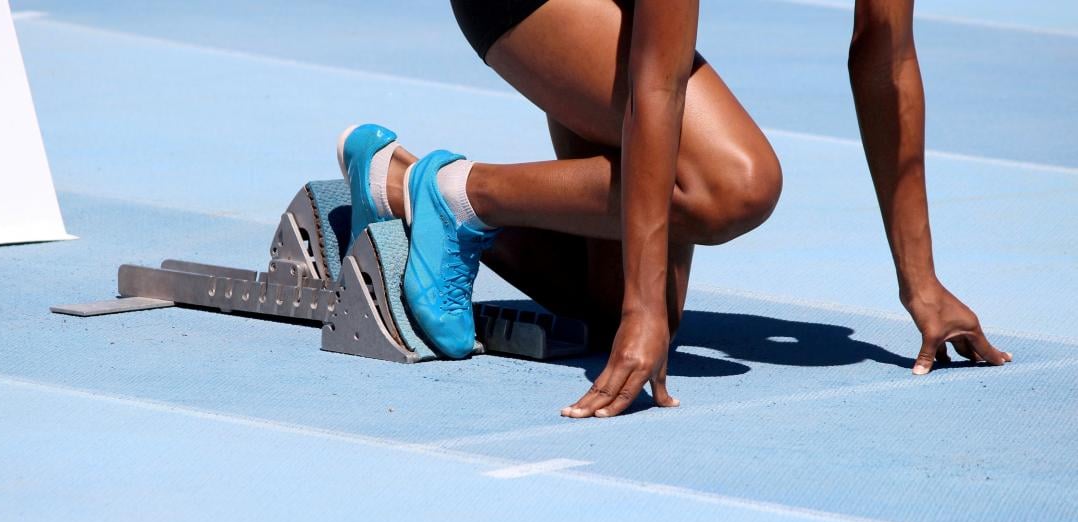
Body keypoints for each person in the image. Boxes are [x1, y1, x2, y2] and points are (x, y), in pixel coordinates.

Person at [337, 0, 1011, 419]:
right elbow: (656, 82)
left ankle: (397, 185)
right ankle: (458, 195)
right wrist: (644, 310)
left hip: (625, 15)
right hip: (532, 2)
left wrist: (920, 282)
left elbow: (886, 59)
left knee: (603, 304)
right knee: (731, 186)